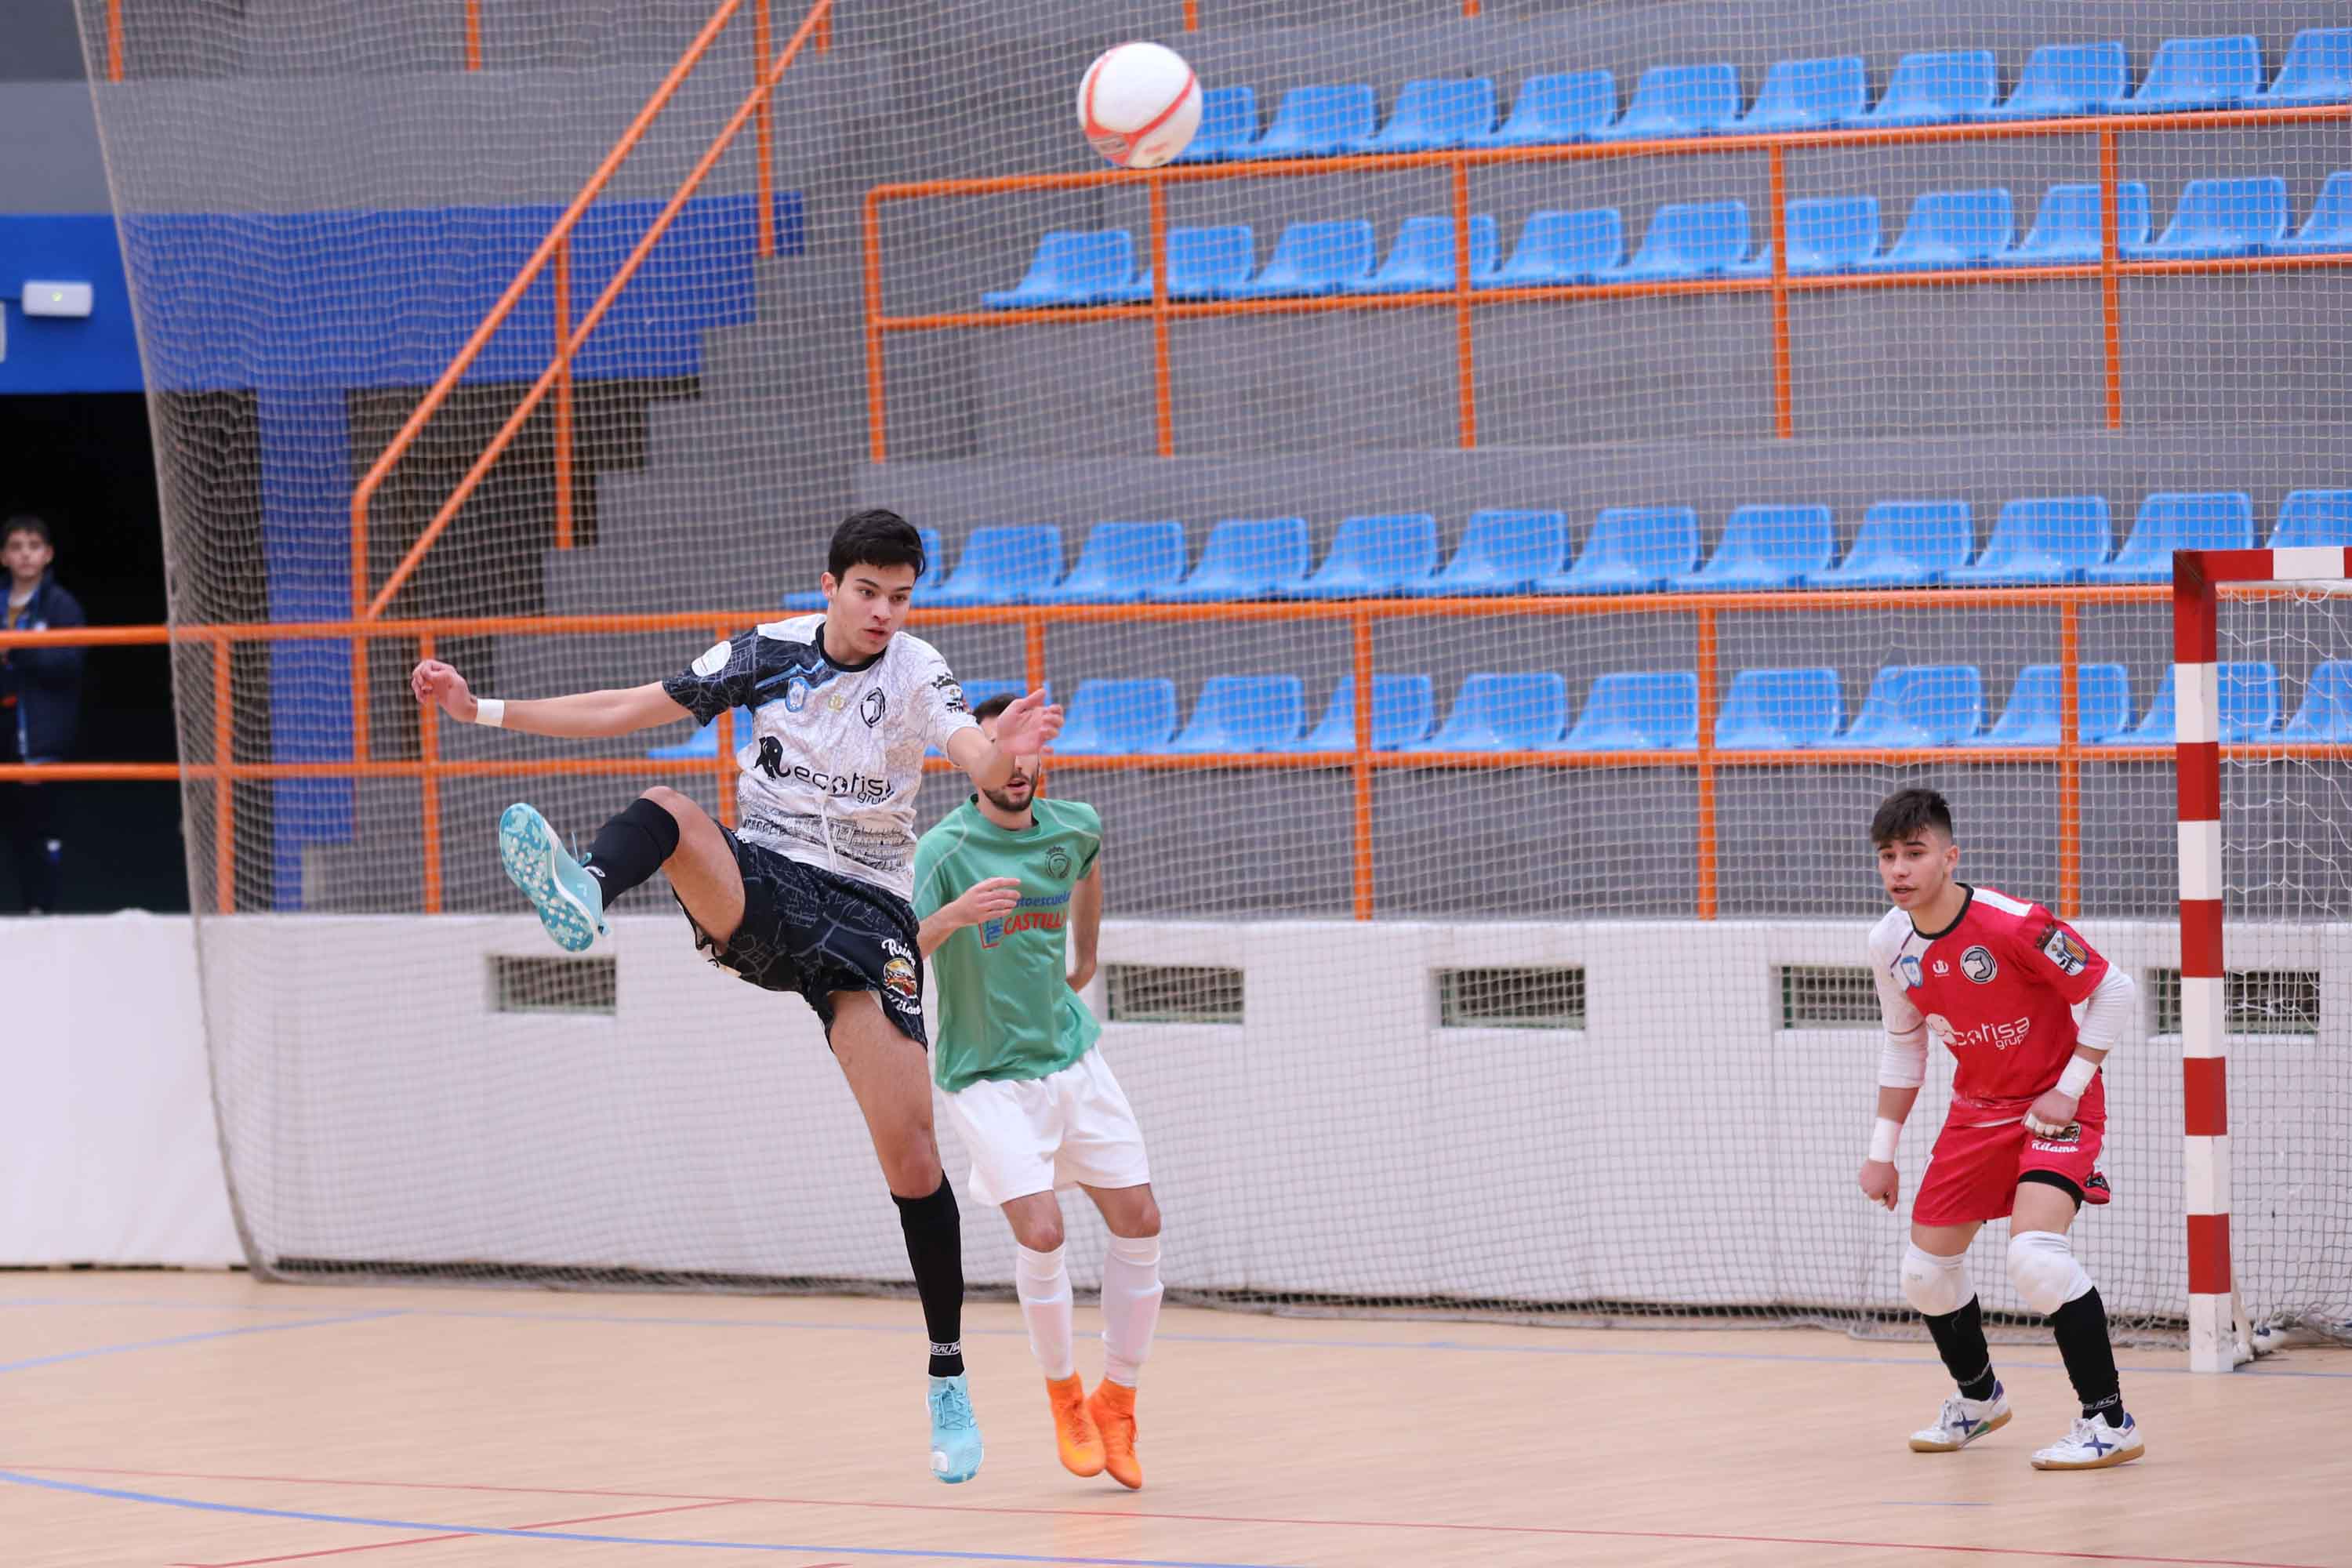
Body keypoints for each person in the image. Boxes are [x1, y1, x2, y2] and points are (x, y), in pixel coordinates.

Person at [409, 510, 1062, 1486]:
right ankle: (587, 891)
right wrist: (483, 712)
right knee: (672, 810)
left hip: (871, 915)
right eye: (868, 592)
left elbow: (972, 752)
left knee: (915, 1157)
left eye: (900, 596)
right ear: (832, 584)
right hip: (766, 880)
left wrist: (1001, 756)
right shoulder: (766, 653)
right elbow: (630, 706)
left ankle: (947, 1371)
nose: (884, 612)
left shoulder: (920, 671)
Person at [913, 694, 1162, 1490]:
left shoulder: (1073, 825)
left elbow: (1086, 865)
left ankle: (1117, 1398)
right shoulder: (945, 850)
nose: (1017, 769)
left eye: (1028, 754)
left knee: (1142, 1218)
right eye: (1001, 753)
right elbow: (895, 950)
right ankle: (1066, 1398)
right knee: (1045, 1231)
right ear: (976, 761)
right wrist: (951, 915)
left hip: (1071, 1057)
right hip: (987, 1074)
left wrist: (1083, 959)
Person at [1860, 786, 2143, 1470]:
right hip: (1975, 1112)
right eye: (1887, 857)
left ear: (1950, 857)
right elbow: (1906, 1045)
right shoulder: (1888, 942)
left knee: (2035, 1258)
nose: (1899, 870)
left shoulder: (2015, 924)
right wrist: (1881, 1152)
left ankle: (2110, 1421)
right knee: (1925, 1274)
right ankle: (1979, 1400)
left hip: (2056, 1110)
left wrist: (2067, 1089)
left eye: (1915, 853)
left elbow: (2117, 990)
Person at [2, 515, 85, 913]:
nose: (25, 555)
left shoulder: (61, 604)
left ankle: (46, 911)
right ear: (4, 556)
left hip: (39, 732)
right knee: (16, 831)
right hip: (4, 729)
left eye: (33, 546)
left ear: (48, 554)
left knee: (43, 828)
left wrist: (18, 649)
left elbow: (69, 662)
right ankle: (23, 910)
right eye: (16, 547)